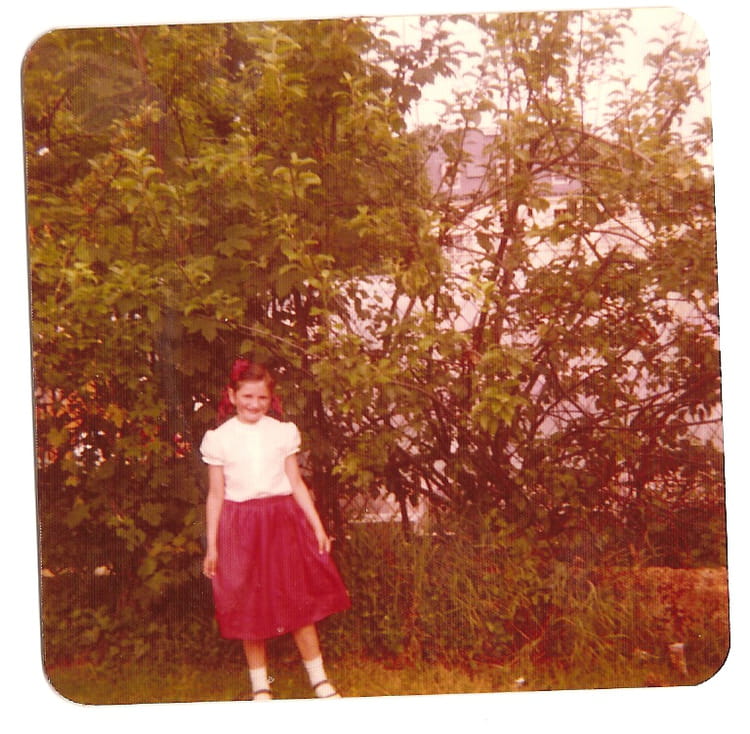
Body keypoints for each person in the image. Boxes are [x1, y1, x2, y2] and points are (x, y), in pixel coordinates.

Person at [200, 358, 350, 701]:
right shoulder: (219, 439)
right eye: (247, 396)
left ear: (271, 399)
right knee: (248, 604)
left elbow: (296, 483)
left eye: (262, 398)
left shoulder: (281, 433)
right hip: (240, 526)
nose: (254, 404)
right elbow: (216, 495)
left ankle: (319, 679)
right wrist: (213, 546)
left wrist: (317, 527)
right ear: (232, 395)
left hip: (282, 523)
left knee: (297, 597)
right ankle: (261, 685)